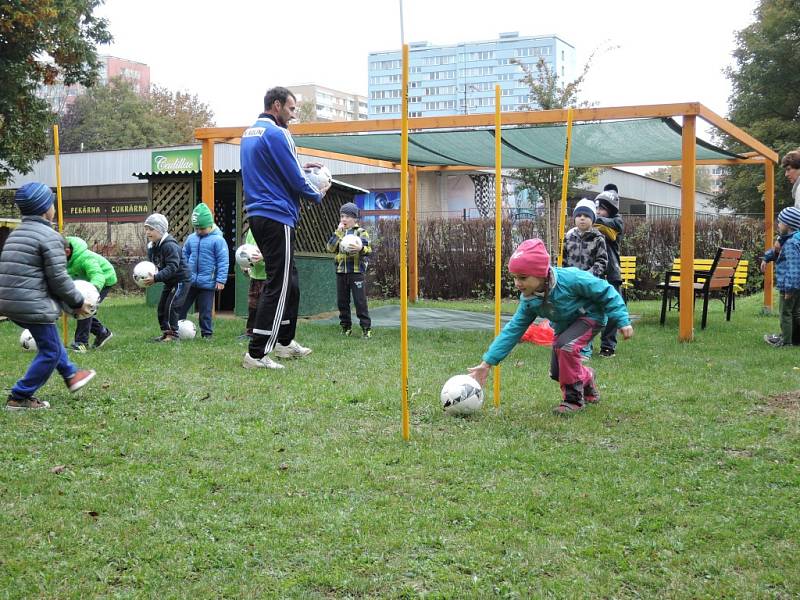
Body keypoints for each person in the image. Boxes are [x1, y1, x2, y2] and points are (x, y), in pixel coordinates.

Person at [469, 238, 633, 415]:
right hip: (564, 327)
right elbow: (513, 331)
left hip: (590, 317)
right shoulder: (530, 300)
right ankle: (587, 377)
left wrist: (622, 319)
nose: (517, 283)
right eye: (515, 277)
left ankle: (573, 401)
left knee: (566, 347)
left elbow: (606, 290)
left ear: (541, 274)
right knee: (558, 373)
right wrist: (487, 363)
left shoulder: (571, 278)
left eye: (522, 278)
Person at [240, 86, 331, 369]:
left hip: (260, 213)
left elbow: (275, 171)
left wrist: (301, 169)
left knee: (289, 280)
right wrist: (318, 192)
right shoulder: (279, 134)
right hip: (276, 215)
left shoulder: (250, 133)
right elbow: (293, 178)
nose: (293, 116)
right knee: (278, 284)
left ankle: (284, 342)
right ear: (277, 105)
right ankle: (256, 353)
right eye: (291, 109)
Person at [0, 182, 96, 410]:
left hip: (10, 303)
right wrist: (77, 302)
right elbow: (59, 279)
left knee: (50, 341)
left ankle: (71, 374)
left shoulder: (16, 235)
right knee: (51, 350)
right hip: (31, 304)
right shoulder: (49, 236)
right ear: (46, 209)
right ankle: (20, 396)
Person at [178, 203, 229, 339]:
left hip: (208, 283)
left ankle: (207, 334)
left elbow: (223, 261)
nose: (199, 231)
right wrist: (184, 271)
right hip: (190, 281)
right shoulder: (191, 238)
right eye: (196, 228)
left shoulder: (218, 240)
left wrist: (220, 279)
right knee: (181, 305)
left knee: (205, 311)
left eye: (202, 228)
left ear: (210, 224)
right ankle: (175, 330)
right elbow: (185, 254)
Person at [140, 212, 190, 342]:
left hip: (180, 281)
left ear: (161, 230)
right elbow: (154, 265)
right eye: (146, 229)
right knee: (162, 307)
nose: (148, 232)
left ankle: (173, 335)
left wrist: (156, 278)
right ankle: (166, 333)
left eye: (151, 229)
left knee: (172, 306)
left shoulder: (169, 245)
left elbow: (172, 267)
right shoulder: (153, 246)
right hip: (169, 281)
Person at [326, 202, 372, 338]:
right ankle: (346, 327)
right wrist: (338, 233)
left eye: (347, 216)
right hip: (341, 272)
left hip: (356, 272)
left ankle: (366, 328)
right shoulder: (339, 233)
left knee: (360, 301)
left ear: (355, 219)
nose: (343, 219)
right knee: (342, 302)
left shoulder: (361, 232)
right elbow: (330, 248)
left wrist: (360, 249)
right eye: (342, 216)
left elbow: (368, 250)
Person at [64, 235, 117, 352]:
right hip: (84, 284)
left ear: (67, 252)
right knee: (77, 309)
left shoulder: (84, 258)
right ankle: (102, 332)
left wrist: (92, 292)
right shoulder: (62, 258)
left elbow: (98, 275)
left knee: (86, 308)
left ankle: (81, 342)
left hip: (104, 280)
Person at [761, 207, 800, 347]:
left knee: (785, 313)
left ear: (788, 225)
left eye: (780, 222)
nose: (778, 224)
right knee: (795, 312)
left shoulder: (791, 244)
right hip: (796, 285)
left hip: (790, 284)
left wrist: (789, 289)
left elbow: (794, 268)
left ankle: (786, 341)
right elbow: (778, 251)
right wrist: (766, 258)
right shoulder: (792, 238)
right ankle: (795, 339)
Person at [594, 185, 624, 357]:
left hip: (612, 272)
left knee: (614, 308)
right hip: (595, 271)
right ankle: (584, 344)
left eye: (602, 209)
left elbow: (614, 225)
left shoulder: (617, 222)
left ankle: (608, 345)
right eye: (596, 208)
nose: (598, 212)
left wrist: (594, 220)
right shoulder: (591, 222)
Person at [562, 198, 607, 277]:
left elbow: (602, 261)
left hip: (591, 282)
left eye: (586, 216)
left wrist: (589, 275)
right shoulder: (568, 237)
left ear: (592, 219)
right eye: (579, 215)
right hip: (571, 280)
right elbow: (562, 259)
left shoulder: (598, 238)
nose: (582, 218)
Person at [239, 227, 266, 340]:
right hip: (254, 276)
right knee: (253, 306)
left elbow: (277, 249)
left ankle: (265, 333)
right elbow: (245, 250)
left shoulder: (270, 227)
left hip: (268, 276)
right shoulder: (251, 230)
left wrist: (263, 256)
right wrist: (244, 264)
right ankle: (250, 333)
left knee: (265, 307)